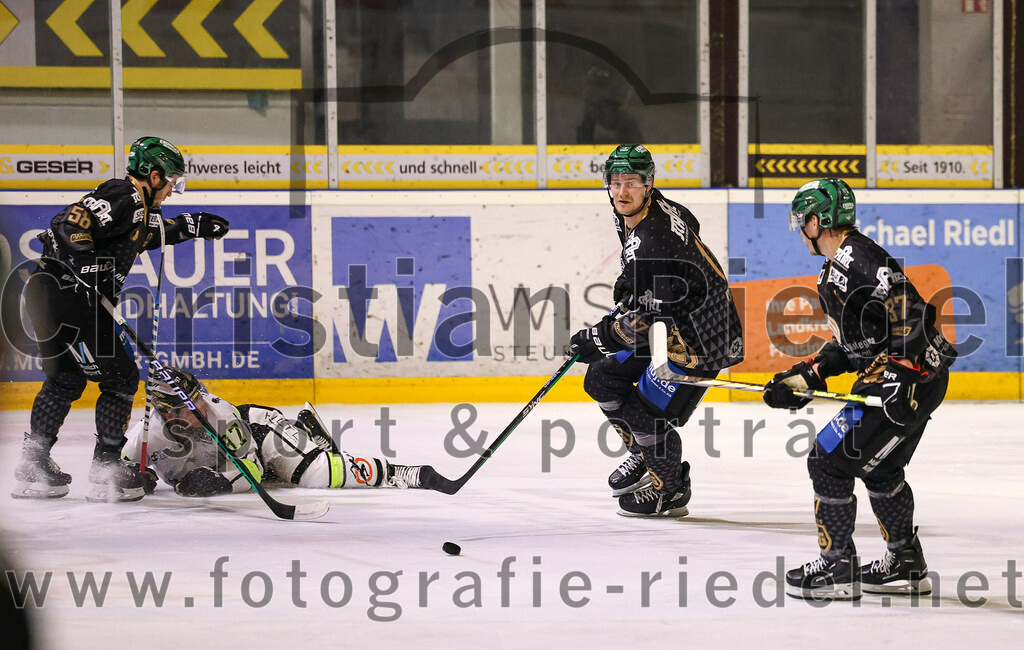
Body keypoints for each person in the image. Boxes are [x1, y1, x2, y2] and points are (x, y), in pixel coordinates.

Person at [762, 178, 956, 601]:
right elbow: (856, 344)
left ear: (817, 221)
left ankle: (837, 568)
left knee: (827, 461)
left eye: (803, 221)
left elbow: (912, 310)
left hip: (907, 383)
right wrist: (808, 375)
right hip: (911, 381)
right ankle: (904, 561)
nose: (800, 230)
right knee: (879, 468)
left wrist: (901, 376)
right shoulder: (836, 268)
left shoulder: (855, 257)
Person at [11, 136, 229, 503]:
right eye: (172, 181)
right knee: (120, 378)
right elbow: (67, 224)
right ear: (154, 175)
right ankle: (106, 469)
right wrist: (84, 264)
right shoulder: (123, 194)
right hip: (69, 297)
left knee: (65, 379)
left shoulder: (139, 207)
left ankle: (33, 465)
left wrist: (190, 226)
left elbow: (141, 236)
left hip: (49, 294)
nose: (173, 190)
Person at [567, 144, 744, 517]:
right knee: (601, 379)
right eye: (615, 182)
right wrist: (632, 281)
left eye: (632, 182)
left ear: (649, 184)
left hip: (701, 338)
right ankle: (645, 455)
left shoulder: (651, 240)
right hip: (673, 324)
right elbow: (689, 223)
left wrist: (597, 338)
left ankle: (671, 489)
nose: (622, 192)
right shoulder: (640, 212)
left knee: (645, 414)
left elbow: (645, 324)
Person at [122, 368, 425, 497]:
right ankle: (307, 434)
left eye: (199, 397)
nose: (201, 406)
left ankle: (394, 472)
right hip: (246, 464)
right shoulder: (146, 436)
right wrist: (139, 479)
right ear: (166, 412)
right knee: (281, 481)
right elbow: (121, 469)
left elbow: (251, 468)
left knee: (319, 475)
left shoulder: (222, 415)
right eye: (191, 406)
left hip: (260, 435)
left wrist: (221, 482)